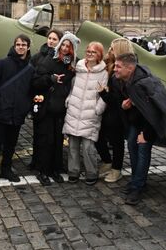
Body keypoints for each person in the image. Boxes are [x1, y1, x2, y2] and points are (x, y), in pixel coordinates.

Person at [114, 53, 166, 205]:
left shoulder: (144, 83)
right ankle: (137, 181)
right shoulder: (126, 80)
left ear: (130, 68)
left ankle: (137, 188)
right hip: (137, 122)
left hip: (150, 125)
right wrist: (126, 106)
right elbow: (139, 105)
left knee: (142, 150)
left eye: (118, 66)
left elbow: (157, 111)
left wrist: (146, 134)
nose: (115, 69)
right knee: (132, 146)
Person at [0, 34, 34, 186]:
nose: (20, 47)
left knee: (11, 144)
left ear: (28, 47)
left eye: (24, 45)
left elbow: (31, 89)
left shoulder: (30, 68)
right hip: (1, 112)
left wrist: (25, 106)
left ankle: (6, 169)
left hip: (17, 113)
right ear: (14, 45)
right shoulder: (2, 63)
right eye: (18, 44)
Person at [31, 32, 79, 186]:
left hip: (61, 109)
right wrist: (50, 79)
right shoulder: (49, 60)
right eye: (63, 45)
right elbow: (35, 82)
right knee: (46, 140)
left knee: (58, 141)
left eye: (68, 46)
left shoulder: (71, 65)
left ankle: (54, 169)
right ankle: (42, 171)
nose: (65, 48)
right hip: (47, 107)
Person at [63, 41, 108, 184]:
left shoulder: (103, 73)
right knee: (73, 146)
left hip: (90, 113)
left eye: (93, 52)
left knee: (89, 147)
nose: (89, 54)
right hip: (74, 110)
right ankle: (73, 171)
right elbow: (72, 86)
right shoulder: (79, 68)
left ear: (99, 55)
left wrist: (98, 110)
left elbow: (104, 95)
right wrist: (69, 99)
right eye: (88, 51)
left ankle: (91, 172)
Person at [96, 38, 136, 183]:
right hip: (111, 110)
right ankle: (107, 162)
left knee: (116, 140)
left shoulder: (119, 72)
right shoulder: (111, 65)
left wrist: (102, 92)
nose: (109, 51)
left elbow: (116, 99)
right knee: (102, 136)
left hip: (117, 113)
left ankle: (116, 169)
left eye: (112, 49)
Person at [28, 28, 63, 171]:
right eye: (50, 38)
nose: (51, 41)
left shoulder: (63, 58)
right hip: (41, 100)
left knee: (55, 135)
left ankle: (55, 164)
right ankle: (37, 161)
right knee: (39, 134)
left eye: (55, 39)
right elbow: (32, 80)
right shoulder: (37, 57)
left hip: (57, 103)